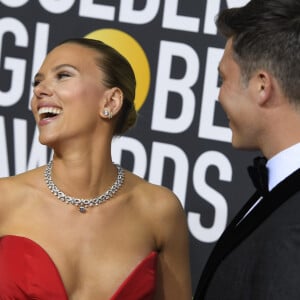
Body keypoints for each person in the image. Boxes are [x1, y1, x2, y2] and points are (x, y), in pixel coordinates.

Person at [0, 38, 192, 299]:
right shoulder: (6, 199)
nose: (40, 91)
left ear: (111, 102)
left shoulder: (159, 211)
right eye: (37, 82)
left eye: (63, 75)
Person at [194, 0, 300, 299]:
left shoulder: (293, 228)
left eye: (223, 79)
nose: (218, 96)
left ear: (261, 86)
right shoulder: (280, 190)